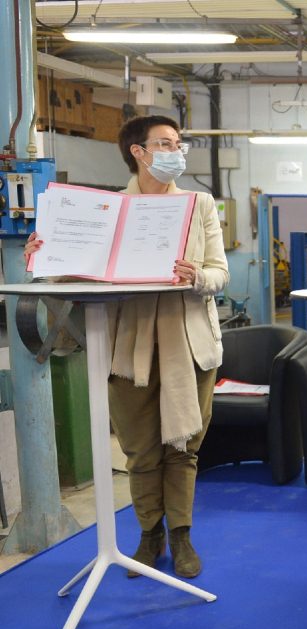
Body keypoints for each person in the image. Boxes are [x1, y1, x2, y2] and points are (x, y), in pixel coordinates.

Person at [24, 115, 229, 578]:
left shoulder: (199, 205)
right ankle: (148, 533)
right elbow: (71, 271)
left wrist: (196, 276)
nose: (176, 151)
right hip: (126, 344)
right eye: (165, 143)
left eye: (179, 143)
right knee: (140, 450)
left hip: (189, 343)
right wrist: (43, 256)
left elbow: (220, 272)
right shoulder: (106, 210)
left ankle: (181, 535)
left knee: (183, 447)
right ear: (138, 151)